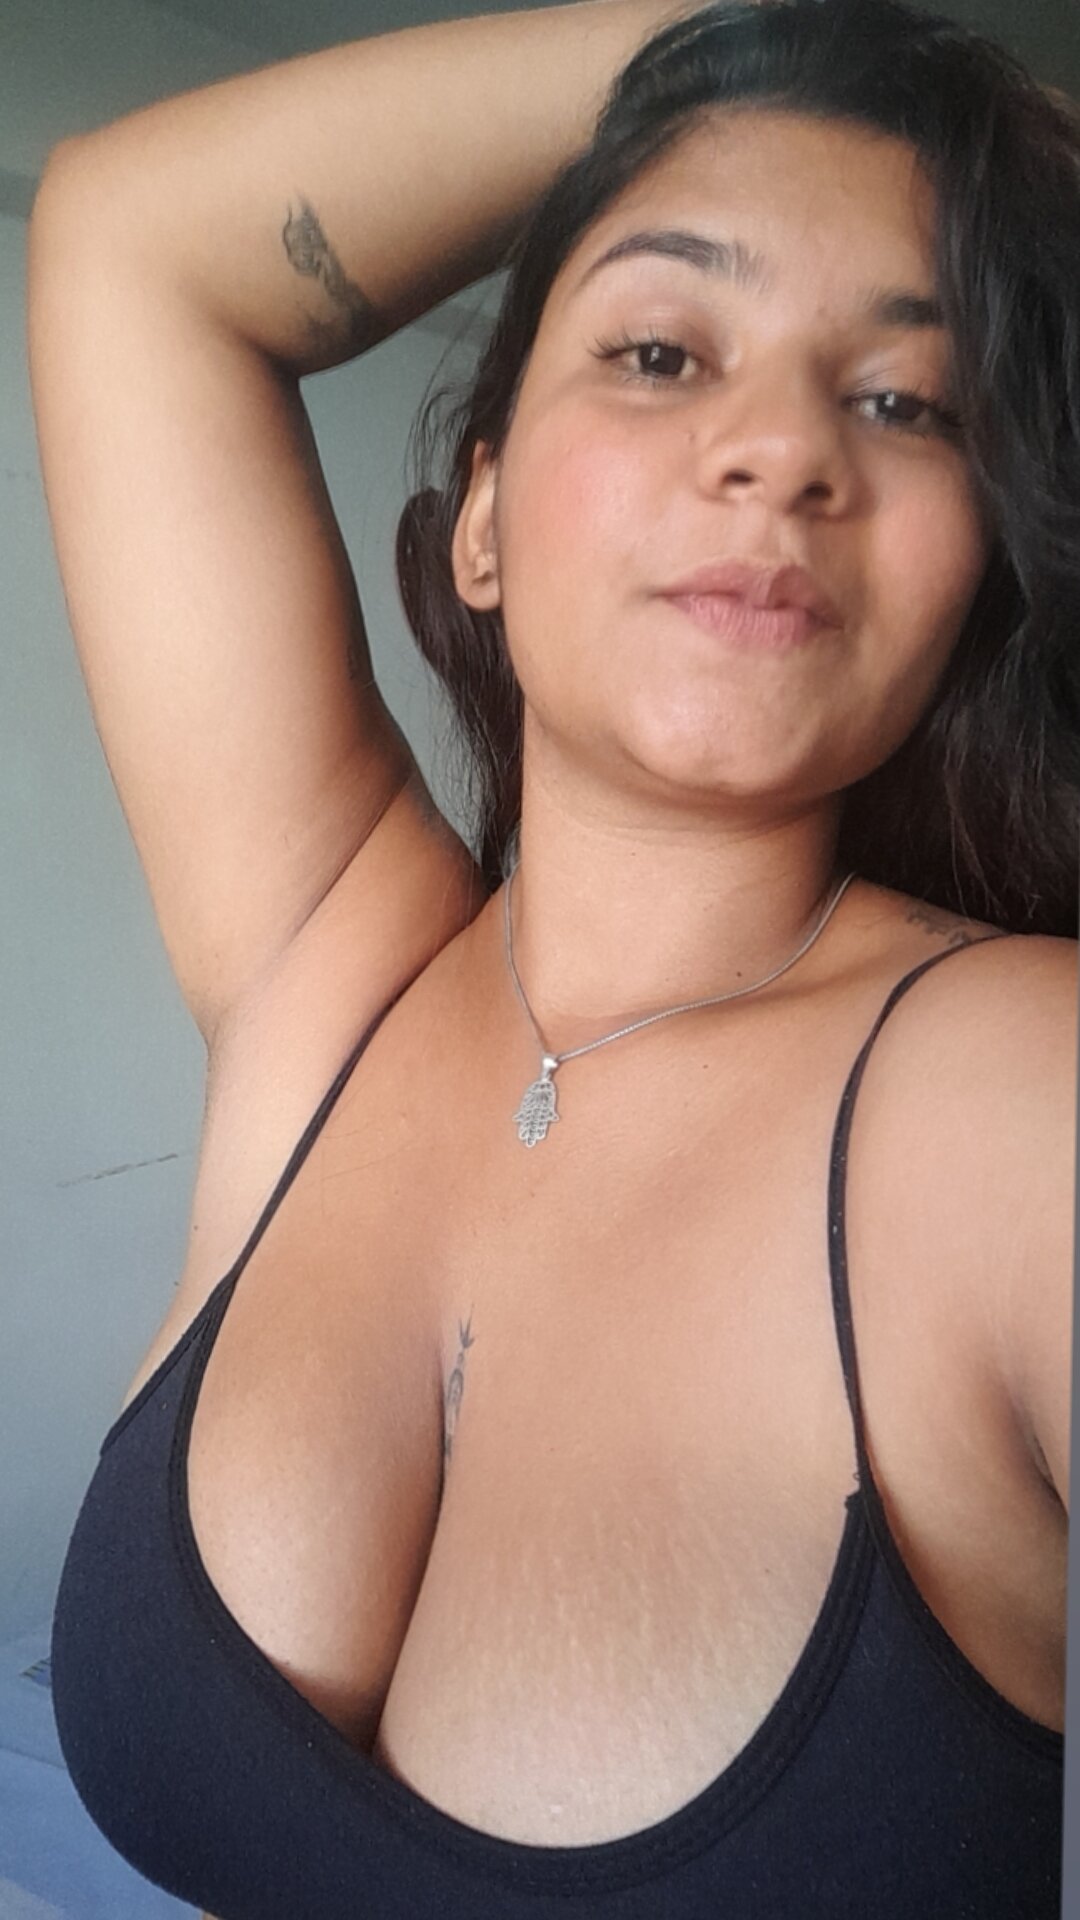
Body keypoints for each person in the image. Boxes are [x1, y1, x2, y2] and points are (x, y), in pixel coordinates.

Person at [28, 0, 1075, 1912]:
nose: (782, 450)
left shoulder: (1027, 1096)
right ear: (488, 517)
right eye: (664, 351)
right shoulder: (334, 963)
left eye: (909, 401)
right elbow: (132, 236)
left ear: (975, 570)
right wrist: (812, 54)